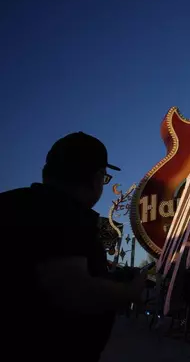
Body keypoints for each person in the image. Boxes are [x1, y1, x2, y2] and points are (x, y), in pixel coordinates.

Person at [1, 132, 147, 362]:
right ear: (96, 177)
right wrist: (129, 291)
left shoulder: (13, 202)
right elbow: (72, 290)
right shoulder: (65, 212)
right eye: (104, 178)